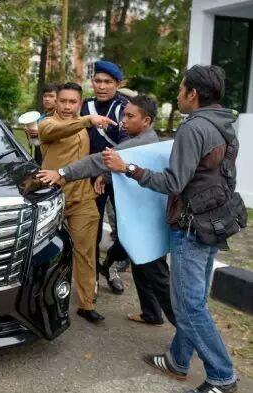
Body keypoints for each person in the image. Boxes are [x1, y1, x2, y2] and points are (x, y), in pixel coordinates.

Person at [103, 65, 240, 393]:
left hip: (192, 225)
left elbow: (173, 182)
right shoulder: (226, 123)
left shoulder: (194, 128)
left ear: (193, 94)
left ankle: (223, 376)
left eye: (181, 90)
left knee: (188, 305)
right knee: (194, 300)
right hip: (215, 220)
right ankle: (179, 361)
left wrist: (129, 168)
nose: (178, 95)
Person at [37, 95, 175, 326]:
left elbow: (101, 159)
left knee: (155, 276)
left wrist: (61, 173)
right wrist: (105, 175)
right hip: (61, 200)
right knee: (140, 264)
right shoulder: (49, 123)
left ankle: (187, 335)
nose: (123, 120)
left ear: (146, 121)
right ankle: (151, 312)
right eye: (63, 101)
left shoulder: (140, 142)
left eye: (130, 116)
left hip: (139, 220)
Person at [38, 82, 115, 324]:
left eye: (73, 102)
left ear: (80, 103)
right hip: (52, 198)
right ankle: (38, 299)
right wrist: (88, 120)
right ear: (56, 101)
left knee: (85, 252)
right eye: (64, 101)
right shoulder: (47, 124)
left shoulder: (83, 126)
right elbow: (58, 132)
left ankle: (86, 304)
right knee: (43, 252)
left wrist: (102, 175)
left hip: (83, 198)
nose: (68, 106)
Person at [81, 60, 130, 295]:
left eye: (107, 82)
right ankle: (93, 277)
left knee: (126, 230)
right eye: (97, 81)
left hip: (118, 177)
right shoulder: (85, 106)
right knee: (94, 227)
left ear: (117, 84)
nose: (101, 86)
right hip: (91, 178)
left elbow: (129, 143)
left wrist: (107, 171)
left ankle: (110, 266)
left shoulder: (124, 108)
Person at [25, 83, 59, 165]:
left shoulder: (60, 116)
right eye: (45, 96)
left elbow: (58, 135)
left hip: (53, 160)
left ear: (58, 98)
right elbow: (35, 142)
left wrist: (40, 132)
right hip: (39, 157)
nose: (47, 99)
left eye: (51, 96)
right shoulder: (40, 117)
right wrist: (29, 133)